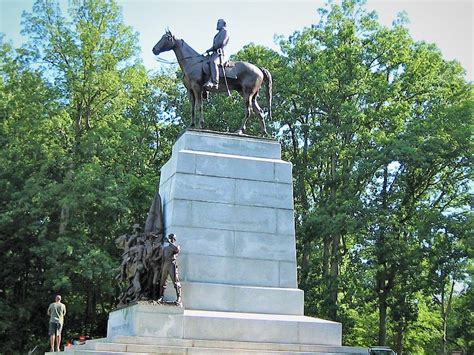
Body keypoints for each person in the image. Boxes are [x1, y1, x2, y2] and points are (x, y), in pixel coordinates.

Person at [203, 19, 229, 90]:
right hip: (215, 54)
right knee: (204, 63)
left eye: (218, 23)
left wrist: (211, 49)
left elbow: (221, 43)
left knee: (213, 62)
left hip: (220, 54)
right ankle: (206, 84)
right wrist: (210, 50)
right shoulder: (218, 34)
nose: (217, 25)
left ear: (223, 24)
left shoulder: (225, 31)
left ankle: (215, 83)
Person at [158, 234, 182, 305]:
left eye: (172, 238)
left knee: (175, 281)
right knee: (162, 281)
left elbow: (177, 250)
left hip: (172, 264)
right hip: (166, 264)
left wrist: (170, 243)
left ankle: (179, 298)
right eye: (170, 238)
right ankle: (161, 296)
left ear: (174, 239)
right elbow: (162, 258)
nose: (171, 239)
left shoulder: (176, 246)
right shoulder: (165, 248)